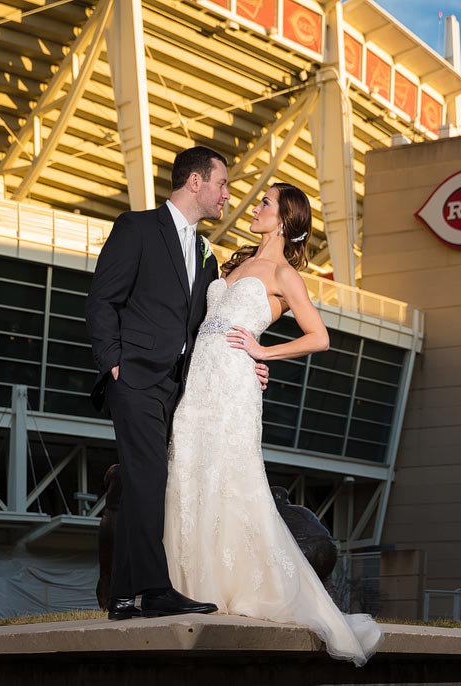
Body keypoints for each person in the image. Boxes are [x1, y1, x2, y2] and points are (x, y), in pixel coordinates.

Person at [163, 183, 383, 666]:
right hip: (198, 386)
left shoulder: (285, 274)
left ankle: (231, 588)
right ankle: (186, 586)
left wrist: (264, 353)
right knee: (189, 477)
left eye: (265, 202)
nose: (255, 206)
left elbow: (319, 337)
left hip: (233, 387)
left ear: (284, 219)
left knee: (232, 481)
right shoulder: (230, 264)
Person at [85, 146, 268, 620]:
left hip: (183, 390)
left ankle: (123, 597)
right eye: (223, 184)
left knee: (148, 484)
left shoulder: (206, 254)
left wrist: (251, 361)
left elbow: (209, 325)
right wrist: (114, 364)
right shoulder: (137, 227)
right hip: (137, 378)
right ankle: (155, 590)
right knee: (150, 479)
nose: (229, 195)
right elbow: (103, 299)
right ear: (195, 183)